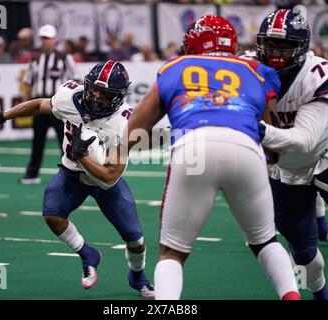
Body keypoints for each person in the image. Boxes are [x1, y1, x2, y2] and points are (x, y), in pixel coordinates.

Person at [125, 15, 301, 300]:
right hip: (246, 147)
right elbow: (273, 138)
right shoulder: (257, 69)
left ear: (194, 43)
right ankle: (292, 295)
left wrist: (115, 152)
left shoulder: (175, 66)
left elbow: (135, 130)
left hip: (195, 148)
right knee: (266, 241)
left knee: (172, 252)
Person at [0, 60, 154, 298]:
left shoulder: (125, 123)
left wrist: (82, 156)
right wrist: (3, 115)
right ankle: (88, 254)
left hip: (102, 180)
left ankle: (137, 276)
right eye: (95, 89)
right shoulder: (70, 97)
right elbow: (40, 105)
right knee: (52, 215)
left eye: (106, 93)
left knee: (136, 240)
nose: (97, 96)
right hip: (71, 174)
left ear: (118, 96)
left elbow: (109, 179)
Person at [257, 8, 328, 299]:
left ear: (301, 46)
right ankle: (322, 295)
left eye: (284, 46)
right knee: (303, 250)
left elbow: (305, 141)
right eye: (270, 44)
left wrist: (255, 129)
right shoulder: (247, 67)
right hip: (284, 170)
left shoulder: (319, 75)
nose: (275, 53)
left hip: (327, 156)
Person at [20, 24, 80, 184]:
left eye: (49, 38)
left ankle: (71, 172)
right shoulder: (35, 58)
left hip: (58, 104)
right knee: (37, 140)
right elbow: (28, 81)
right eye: (43, 38)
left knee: (65, 139)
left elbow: (76, 79)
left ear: (55, 39)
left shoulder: (64, 58)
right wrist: (25, 101)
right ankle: (32, 174)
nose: (46, 41)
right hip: (39, 104)